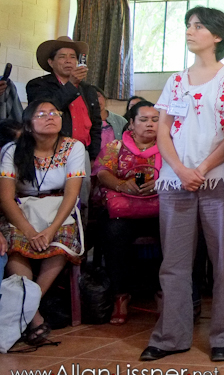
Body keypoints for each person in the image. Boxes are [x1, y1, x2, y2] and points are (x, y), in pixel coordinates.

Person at [140, 7, 224, 364]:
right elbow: (163, 130)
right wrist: (180, 169)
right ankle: (170, 335)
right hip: (176, 180)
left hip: (221, 178)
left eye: (198, 26)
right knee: (174, 261)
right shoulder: (174, 80)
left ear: (217, 35)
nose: (190, 31)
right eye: (188, 25)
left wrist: (201, 167)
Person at [0, 99, 86, 345]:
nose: (50, 117)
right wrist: (28, 231)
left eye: (54, 113)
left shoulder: (73, 147)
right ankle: (34, 316)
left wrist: (50, 230)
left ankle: (26, 309)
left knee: (61, 243)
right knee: (14, 242)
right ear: (28, 125)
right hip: (22, 208)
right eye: (41, 114)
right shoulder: (12, 150)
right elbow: (6, 198)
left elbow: (72, 194)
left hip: (59, 208)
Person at [94, 100, 162, 325]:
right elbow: (103, 173)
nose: (150, 125)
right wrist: (121, 185)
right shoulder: (115, 147)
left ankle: (162, 293)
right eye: (143, 120)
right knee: (114, 232)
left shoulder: (168, 146)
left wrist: (159, 182)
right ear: (131, 123)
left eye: (155, 120)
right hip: (124, 210)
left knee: (173, 231)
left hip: (157, 208)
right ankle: (120, 295)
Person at [27, 37, 102, 215]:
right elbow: (47, 109)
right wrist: (72, 85)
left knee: (81, 201)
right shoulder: (38, 85)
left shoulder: (89, 90)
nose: (68, 61)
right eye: (62, 57)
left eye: (72, 57)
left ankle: (79, 237)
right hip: (50, 151)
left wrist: (93, 155)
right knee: (53, 198)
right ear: (51, 62)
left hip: (82, 151)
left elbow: (96, 124)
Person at [91, 89, 127, 177]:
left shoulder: (120, 120)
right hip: (91, 164)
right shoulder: (84, 122)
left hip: (116, 165)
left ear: (105, 99)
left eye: (98, 96)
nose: (95, 100)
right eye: (91, 96)